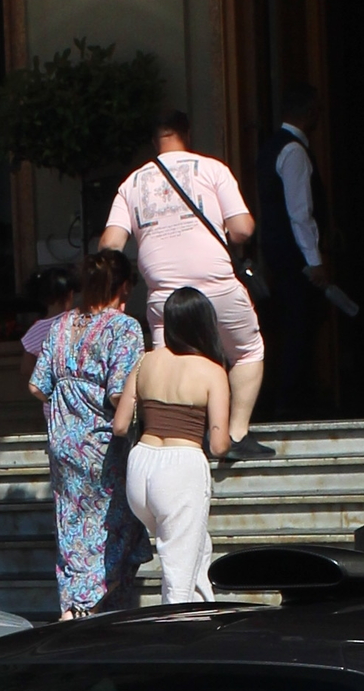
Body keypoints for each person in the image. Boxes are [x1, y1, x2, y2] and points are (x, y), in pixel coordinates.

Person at [99, 113, 264, 447]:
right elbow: (243, 228)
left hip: (163, 295)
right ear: (187, 134)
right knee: (247, 350)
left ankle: (171, 439)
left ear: (153, 141)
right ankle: (235, 433)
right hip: (216, 285)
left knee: (167, 367)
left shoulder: (132, 183)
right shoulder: (212, 169)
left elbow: (110, 244)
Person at [29, 248, 144, 618]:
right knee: (114, 525)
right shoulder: (124, 328)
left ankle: (77, 603)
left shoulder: (61, 324)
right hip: (102, 442)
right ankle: (87, 603)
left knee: (73, 527)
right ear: (123, 286)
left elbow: (36, 386)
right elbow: (117, 392)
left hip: (63, 443)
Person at [115, 283, 229, 606]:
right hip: (181, 469)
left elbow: (121, 424)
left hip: (140, 468)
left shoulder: (145, 362)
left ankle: (205, 617)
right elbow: (219, 445)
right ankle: (177, 640)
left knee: (196, 549)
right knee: (178, 573)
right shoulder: (212, 371)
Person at [254, 83, 333, 418]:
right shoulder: (295, 151)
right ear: (309, 112)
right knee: (301, 326)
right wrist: (315, 260)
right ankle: (293, 401)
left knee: (291, 325)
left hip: (277, 255)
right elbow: (300, 212)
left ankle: (292, 396)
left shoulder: (271, 147)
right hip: (296, 259)